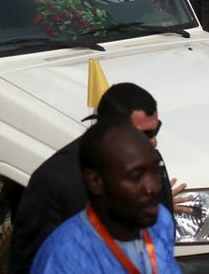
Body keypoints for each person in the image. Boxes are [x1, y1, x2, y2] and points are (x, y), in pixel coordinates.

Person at [10, 83, 178, 274]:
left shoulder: (150, 161)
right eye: (144, 133)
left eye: (155, 131)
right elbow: (25, 261)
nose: (153, 141)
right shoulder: (55, 180)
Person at [30, 119, 182, 274]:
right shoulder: (63, 258)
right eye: (136, 176)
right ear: (95, 182)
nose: (153, 187)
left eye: (155, 170)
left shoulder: (161, 221)